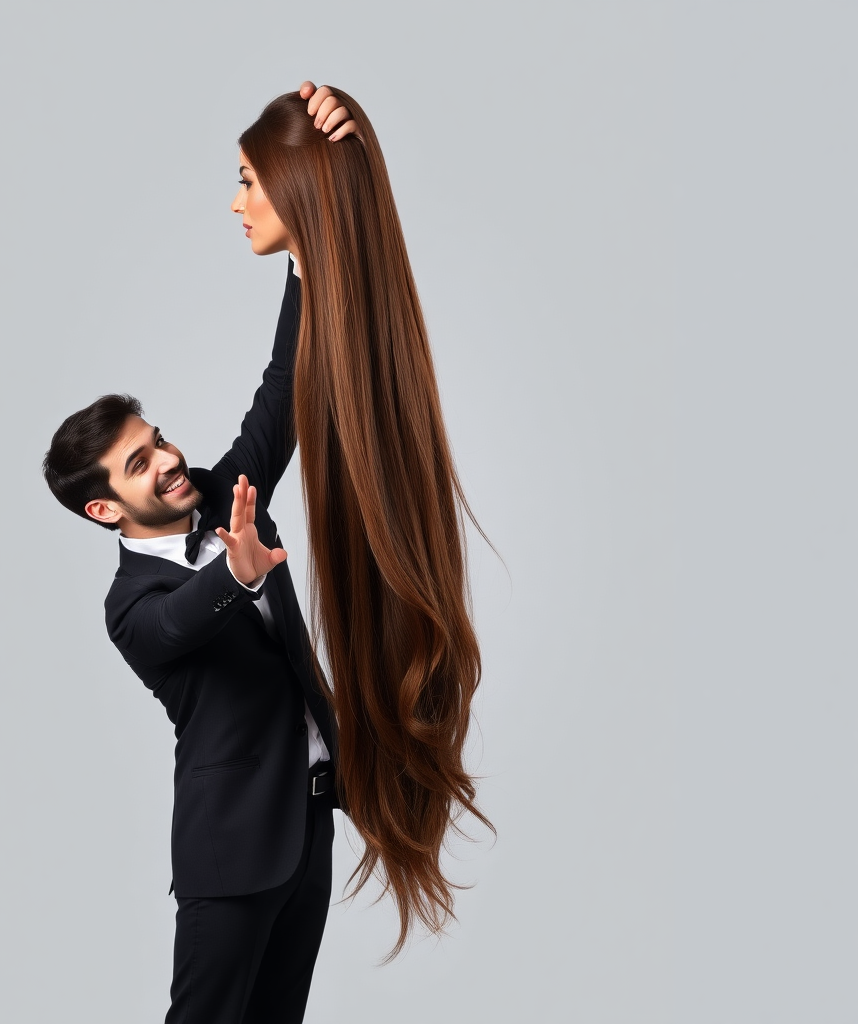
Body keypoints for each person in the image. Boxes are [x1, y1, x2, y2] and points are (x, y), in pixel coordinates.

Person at [43, 83, 356, 1024]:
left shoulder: (227, 495)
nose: (171, 459)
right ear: (106, 508)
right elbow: (187, 619)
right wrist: (239, 572)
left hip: (305, 829)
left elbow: (281, 394)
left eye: (161, 437)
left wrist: (305, 242)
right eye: (142, 463)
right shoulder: (131, 608)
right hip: (227, 858)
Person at [232, 88, 492, 959]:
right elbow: (279, 404)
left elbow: (276, 406)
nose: (236, 204)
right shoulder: (315, 294)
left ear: (295, 188)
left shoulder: (344, 309)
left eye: (247, 182)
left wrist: (353, 163)